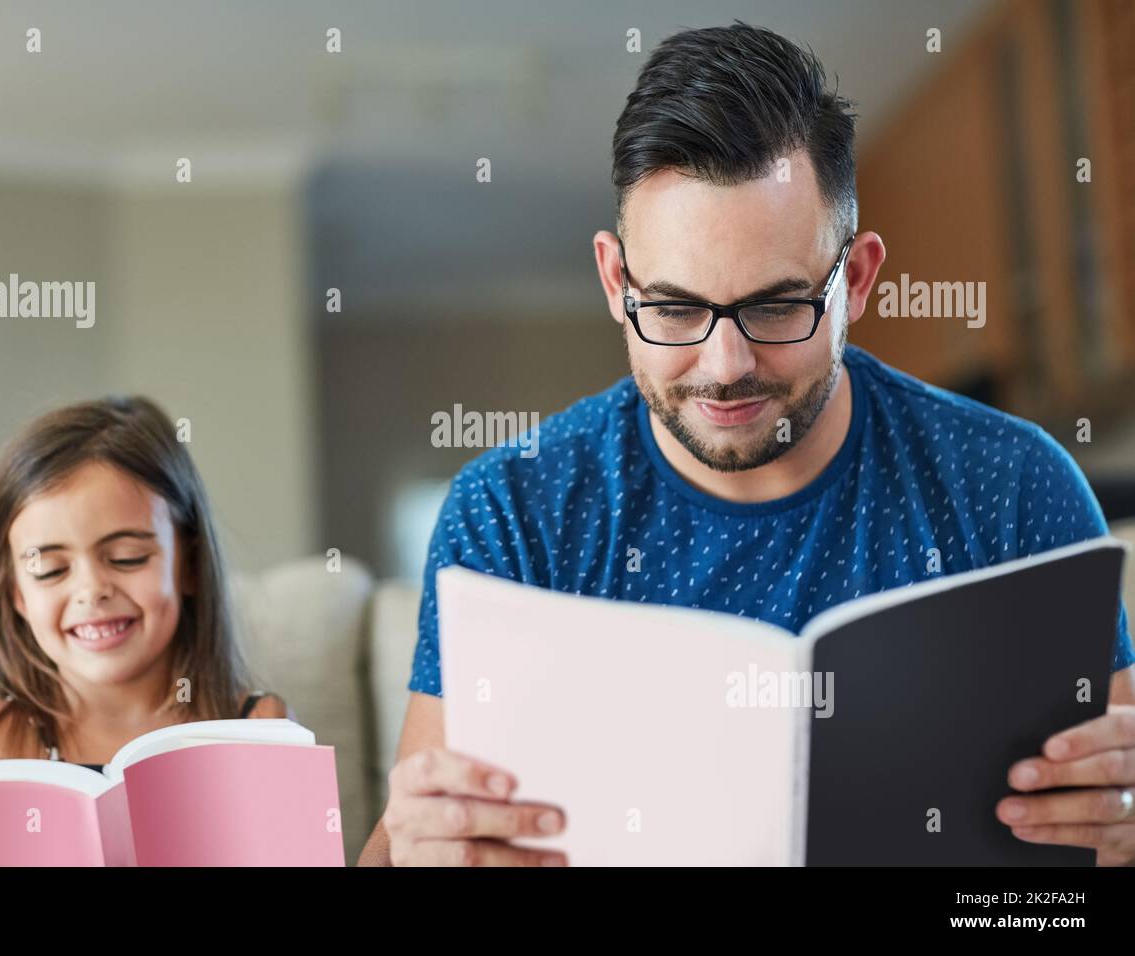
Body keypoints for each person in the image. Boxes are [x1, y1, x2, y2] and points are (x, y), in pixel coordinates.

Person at [359, 22, 1135, 867]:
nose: (725, 367)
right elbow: (401, 847)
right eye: (676, 308)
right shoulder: (511, 509)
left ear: (859, 280)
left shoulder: (1013, 485)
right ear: (617, 283)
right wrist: (416, 850)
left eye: (775, 307)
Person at [0, 395, 290, 771]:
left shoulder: (258, 725)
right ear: (16, 594)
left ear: (189, 566)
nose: (91, 590)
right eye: (50, 570)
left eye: (128, 558)